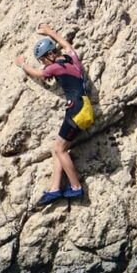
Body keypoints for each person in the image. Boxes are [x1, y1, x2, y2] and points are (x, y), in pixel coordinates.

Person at [14, 23, 95, 206]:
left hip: (76, 110)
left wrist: (22, 64)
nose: (43, 64)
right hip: (85, 108)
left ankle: (76, 188)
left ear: (50, 55)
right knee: (57, 148)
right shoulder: (70, 58)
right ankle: (55, 188)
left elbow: (37, 73)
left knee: (60, 149)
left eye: (43, 59)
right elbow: (67, 46)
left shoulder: (54, 68)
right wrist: (50, 32)